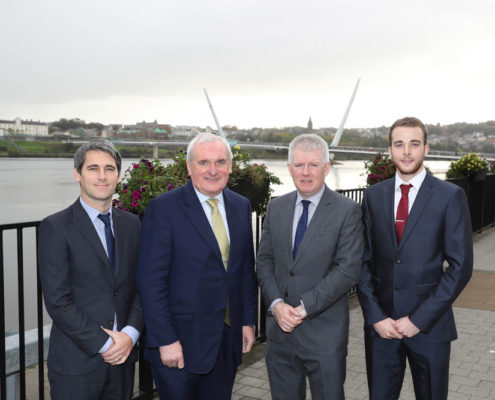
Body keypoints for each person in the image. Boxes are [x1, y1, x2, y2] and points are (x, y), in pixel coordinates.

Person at [358, 117, 473, 399]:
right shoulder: (373, 196)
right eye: (399, 144)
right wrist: (376, 316)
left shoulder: (450, 196)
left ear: (426, 148)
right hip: (382, 330)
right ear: (390, 151)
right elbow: (361, 261)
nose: (406, 151)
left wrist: (418, 319)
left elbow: (461, 267)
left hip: (430, 328)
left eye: (414, 144)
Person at [136, 132, 258, 399]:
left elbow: (244, 271)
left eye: (220, 162)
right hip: (180, 344)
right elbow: (150, 282)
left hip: (226, 341)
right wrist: (165, 340)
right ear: (190, 168)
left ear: (230, 166)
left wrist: (247, 321)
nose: (213, 170)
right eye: (203, 163)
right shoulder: (164, 208)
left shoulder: (240, 206)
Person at [256, 133, 363, 400]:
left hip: (324, 336)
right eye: (299, 165)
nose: (306, 172)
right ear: (289, 168)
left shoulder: (347, 211)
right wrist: (276, 304)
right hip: (280, 336)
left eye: (313, 165)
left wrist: (303, 308)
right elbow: (264, 261)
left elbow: (347, 269)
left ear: (326, 168)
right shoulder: (276, 207)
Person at [38, 139, 143, 400]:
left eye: (109, 168)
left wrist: (130, 335)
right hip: (77, 366)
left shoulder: (132, 225)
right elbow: (58, 301)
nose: (102, 176)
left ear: (118, 175)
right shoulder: (56, 227)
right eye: (93, 168)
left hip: (123, 362)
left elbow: (142, 287)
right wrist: (105, 344)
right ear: (78, 174)